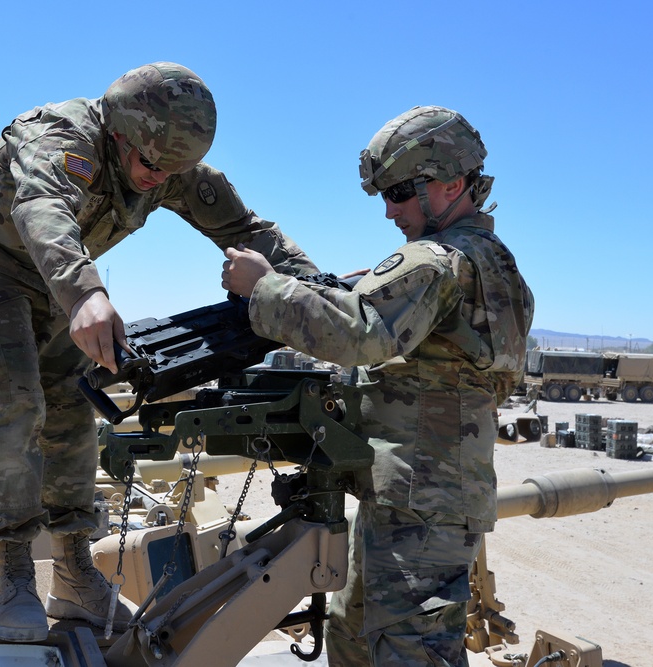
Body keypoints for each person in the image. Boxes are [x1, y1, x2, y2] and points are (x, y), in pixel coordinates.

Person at [0, 62, 317, 643]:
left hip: (53, 276)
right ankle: (13, 570)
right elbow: (42, 210)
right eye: (150, 165)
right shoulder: (62, 135)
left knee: (70, 409)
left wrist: (315, 288)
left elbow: (248, 229)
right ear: (118, 135)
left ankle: (75, 571)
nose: (160, 179)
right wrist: (85, 294)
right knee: (8, 400)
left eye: (173, 169)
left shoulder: (169, 162)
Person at [222, 106, 534, 666]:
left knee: (410, 650)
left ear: (452, 183)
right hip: (417, 492)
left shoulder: (436, 261)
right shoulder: (496, 265)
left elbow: (361, 336)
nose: (389, 210)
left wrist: (264, 288)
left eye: (399, 191)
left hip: (418, 499)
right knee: (354, 632)